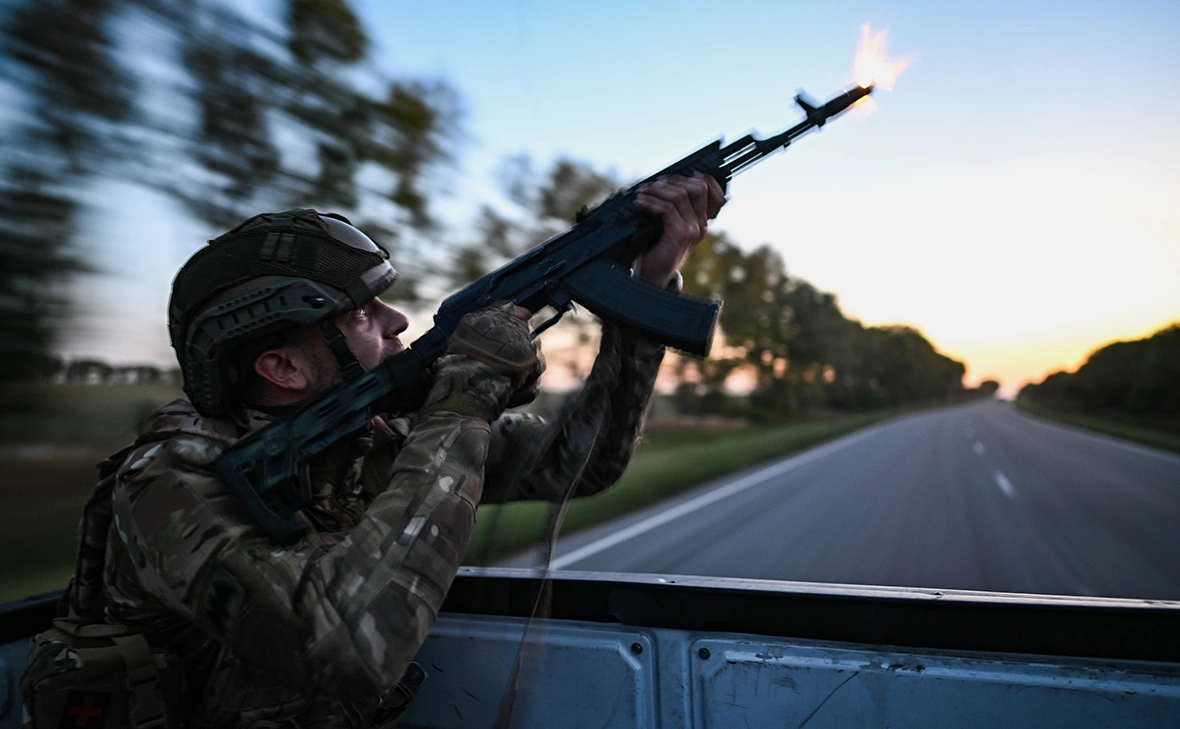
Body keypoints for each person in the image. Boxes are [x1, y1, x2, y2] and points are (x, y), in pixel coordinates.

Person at [42, 175, 724, 728]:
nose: (399, 320)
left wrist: (649, 291)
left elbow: (582, 459)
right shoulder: (169, 484)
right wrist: (463, 401)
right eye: (364, 312)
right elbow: (353, 642)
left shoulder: (373, 432)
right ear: (284, 366)